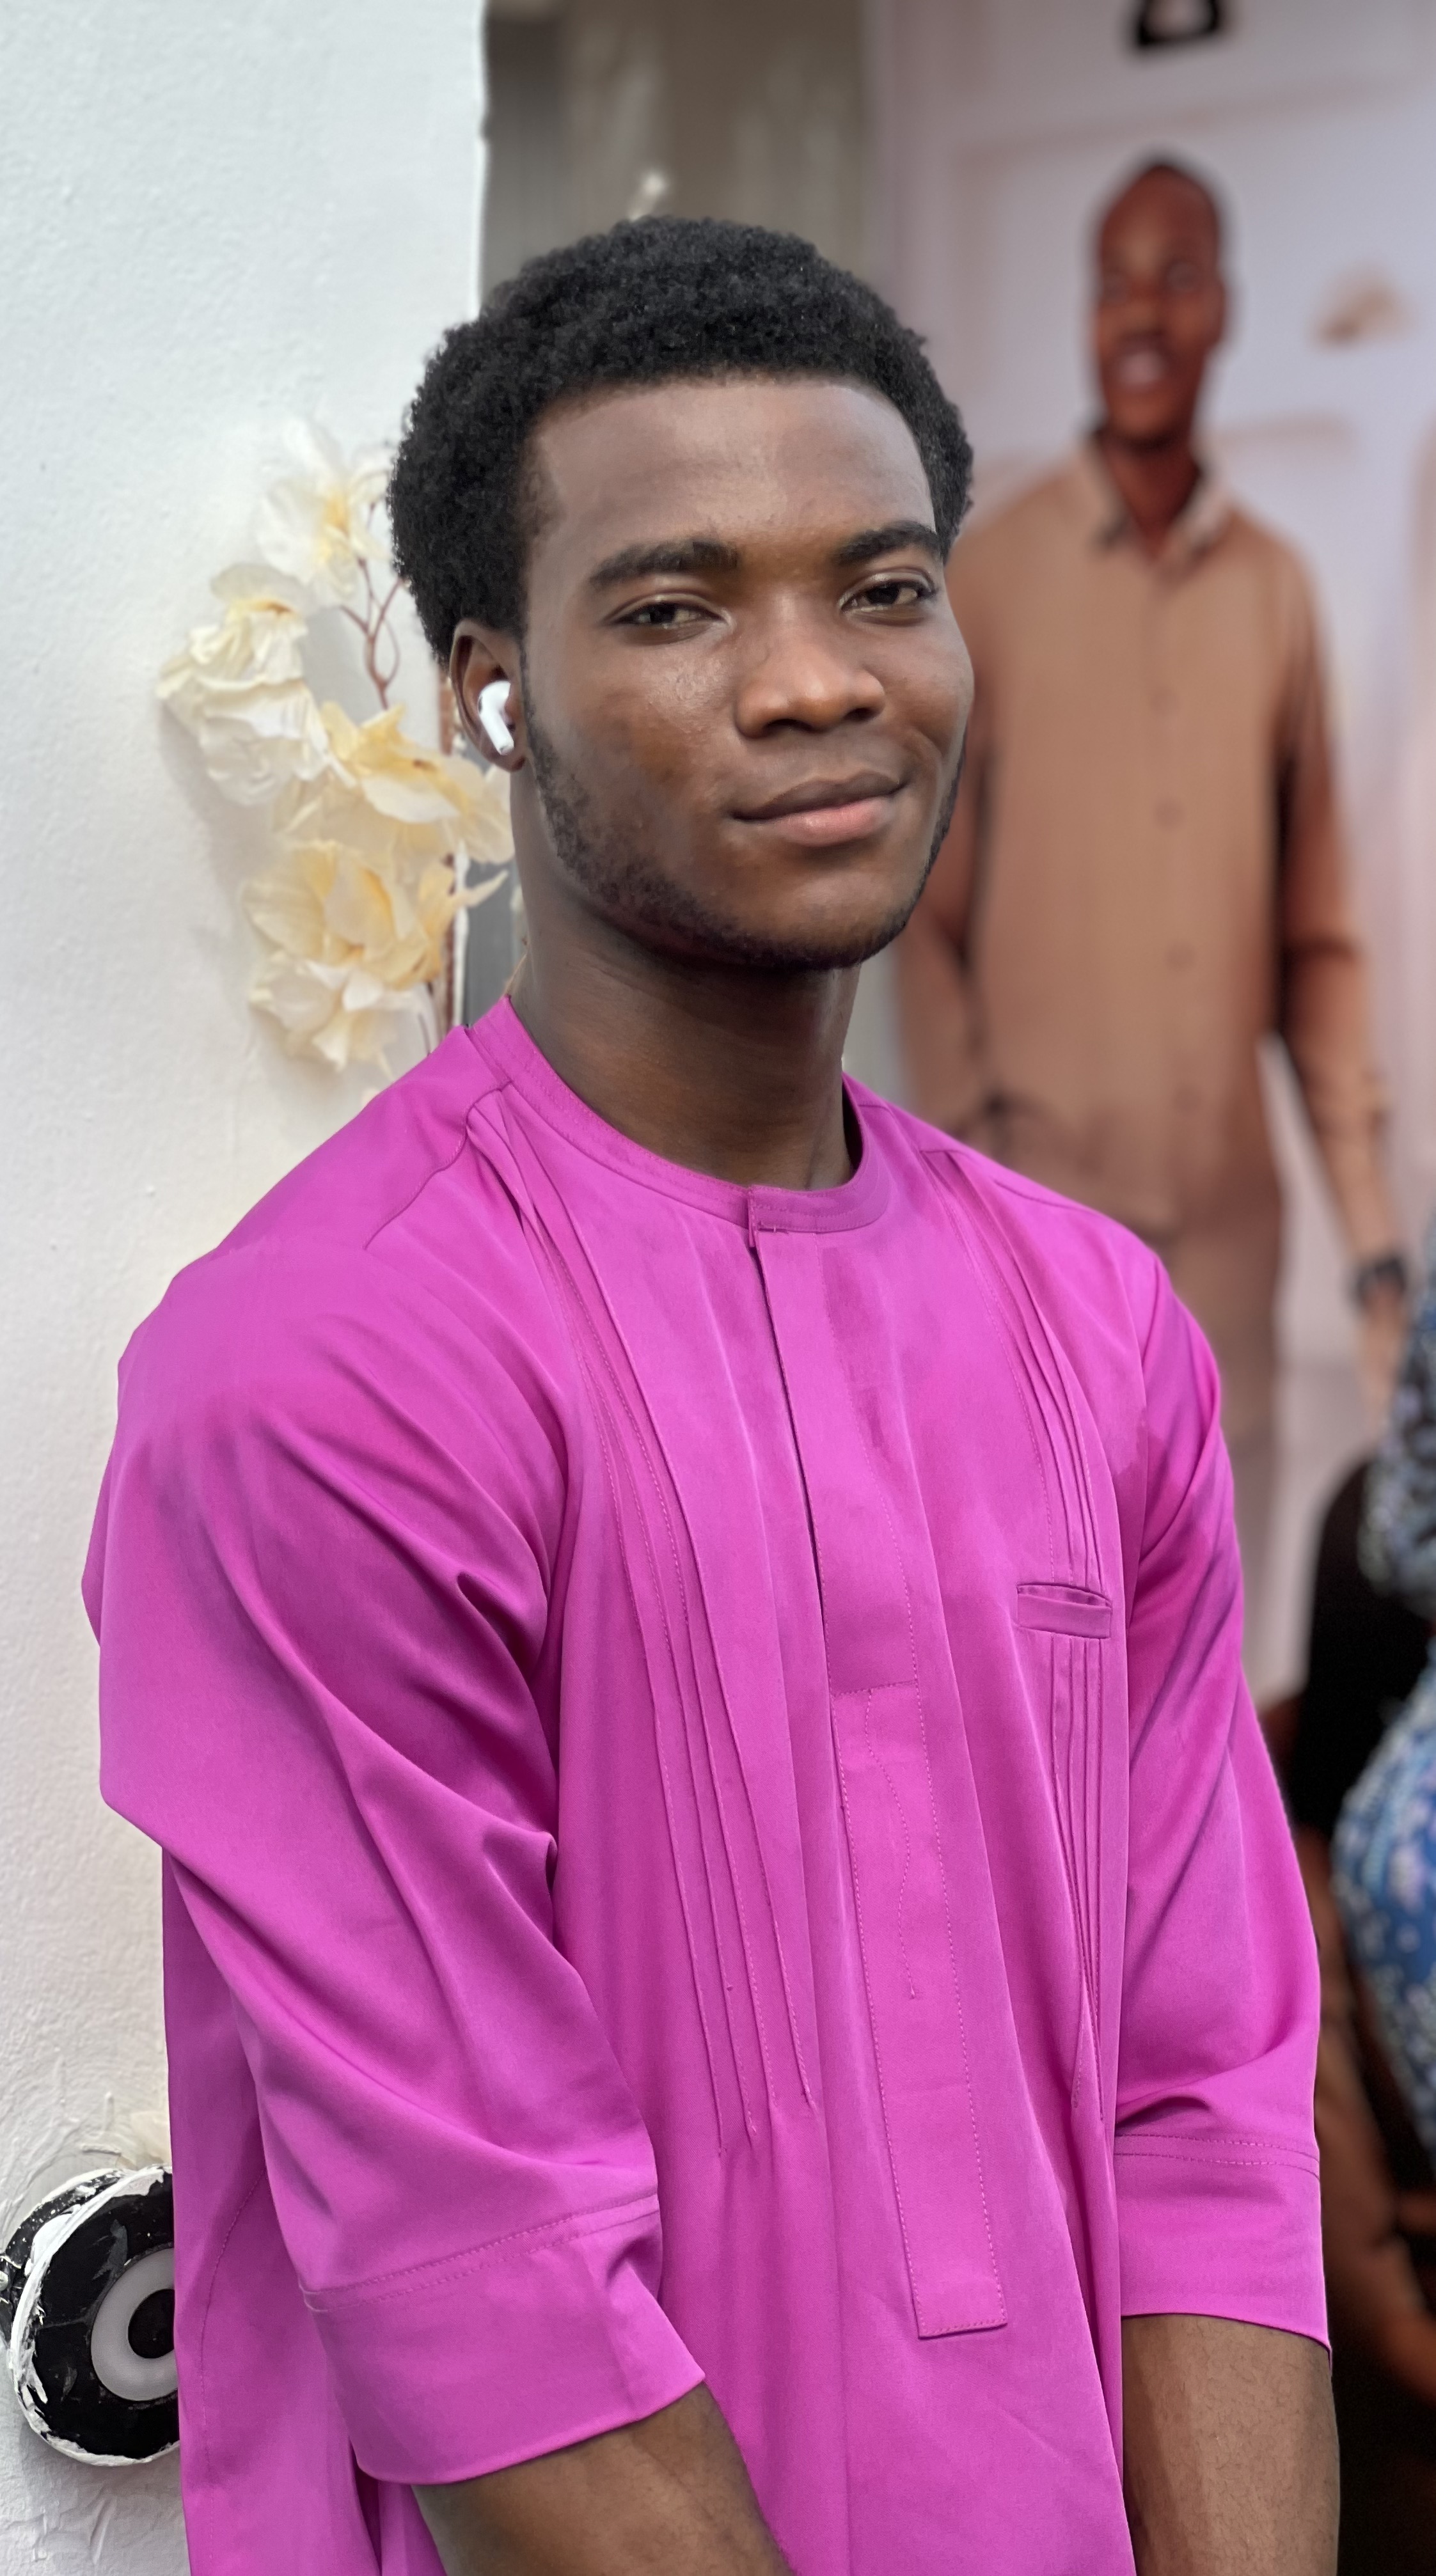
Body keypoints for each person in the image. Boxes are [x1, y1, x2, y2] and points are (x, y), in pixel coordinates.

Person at [85, 217, 1335, 2575]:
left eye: (881, 586)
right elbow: (484, 2282)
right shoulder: (321, 1368)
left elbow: (1202, 2114)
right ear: (493, 690)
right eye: (671, 608)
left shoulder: (1096, 1326)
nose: (811, 682)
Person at [895, 156, 1406, 1635]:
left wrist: (1371, 1238)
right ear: (1085, 314)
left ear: (1223, 311)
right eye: (1113, 281)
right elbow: (923, 923)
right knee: (1039, 1637)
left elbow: (1317, 942)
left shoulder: (1277, 592)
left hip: (1232, 1258)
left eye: (1174, 279)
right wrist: (975, 1193)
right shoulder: (986, 584)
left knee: (1209, 1655)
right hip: (1036, 1234)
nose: (1140, 315)